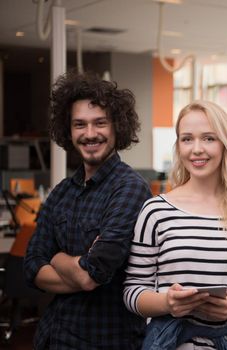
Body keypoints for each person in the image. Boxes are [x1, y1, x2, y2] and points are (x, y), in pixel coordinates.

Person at [123, 100, 227, 350]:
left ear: (225, 143)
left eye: (208, 138)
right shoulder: (156, 211)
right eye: (187, 139)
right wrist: (167, 303)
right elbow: (133, 292)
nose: (196, 149)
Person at [23, 72, 151, 349]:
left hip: (104, 341)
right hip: (52, 336)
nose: (90, 134)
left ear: (117, 127)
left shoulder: (130, 189)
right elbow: (31, 265)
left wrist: (55, 257)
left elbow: (91, 275)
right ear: (68, 131)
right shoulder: (62, 191)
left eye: (100, 123)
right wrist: (77, 268)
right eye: (79, 124)